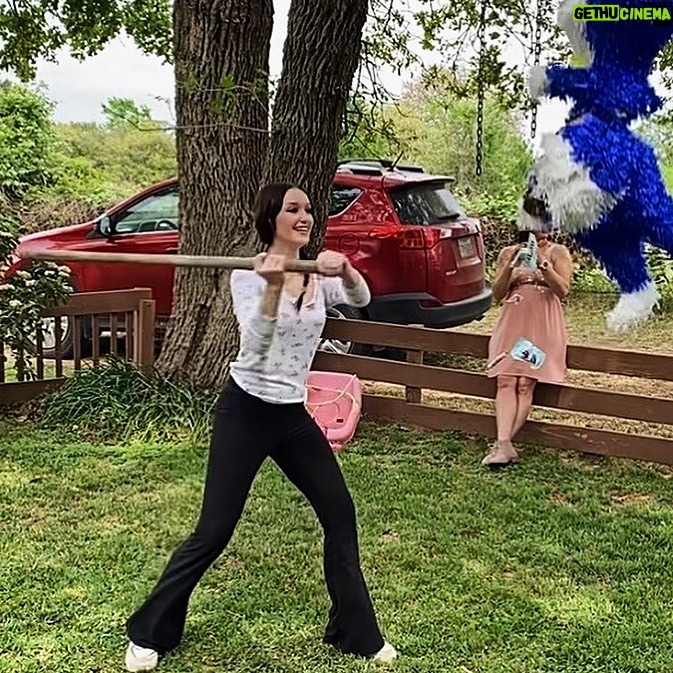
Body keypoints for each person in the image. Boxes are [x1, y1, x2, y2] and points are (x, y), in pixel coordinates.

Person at [123, 183, 397, 671]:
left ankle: (355, 633)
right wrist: (272, 286)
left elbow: (362, 295)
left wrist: (347, 268)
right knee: (214, 530)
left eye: (309, 209)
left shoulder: (315, 275)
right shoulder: (248, 276)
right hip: (246, 410)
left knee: (340, 514)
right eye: (293, 209)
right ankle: (148, 633)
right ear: (272, 219)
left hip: (292, 415)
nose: (304, 216)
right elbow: (256, 348)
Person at [482, 217, 572, 467]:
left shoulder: (558, 252)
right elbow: (497, 294)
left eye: (548, 225)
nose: (543, 232)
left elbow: (563, 290)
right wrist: (510, 269)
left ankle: (502, 445)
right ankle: (504, 445)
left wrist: (545, 268)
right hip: (514, 320)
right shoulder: (508, 253)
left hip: (542, 323)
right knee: (506, 378)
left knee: (524, 383)